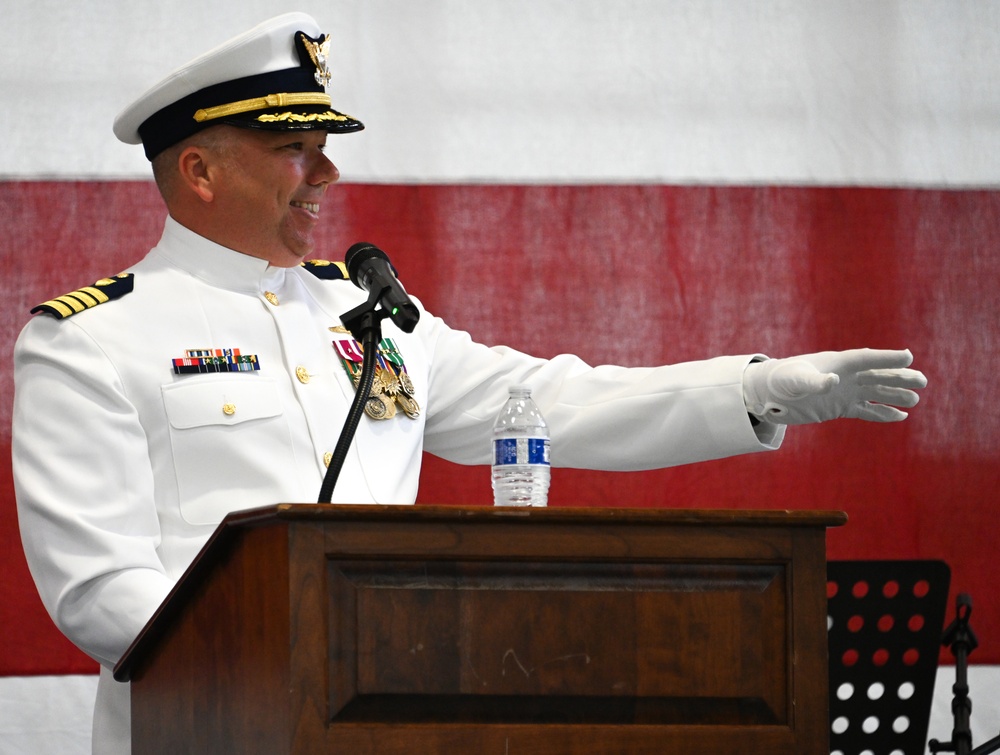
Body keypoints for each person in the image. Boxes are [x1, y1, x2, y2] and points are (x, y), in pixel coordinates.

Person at [11, 12, 926, 754]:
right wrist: (309, 661)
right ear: (200, 169)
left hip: (403, 728)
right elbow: (100, 587)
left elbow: (555, 404)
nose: (328, 170)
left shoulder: (365, 314)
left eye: (325, 144)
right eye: (295, 145)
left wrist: (758, 390)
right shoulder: (92, 340)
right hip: (213, 735)